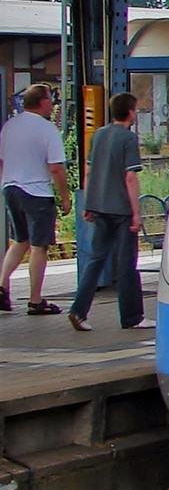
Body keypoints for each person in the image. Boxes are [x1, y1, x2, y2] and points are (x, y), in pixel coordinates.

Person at [68, 91, 148, 331]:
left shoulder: (99, 135)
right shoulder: (128, 138)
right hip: (122, 210)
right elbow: (130, 177)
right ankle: (132, 317)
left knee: (95, 260)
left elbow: (89, 171)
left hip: (99, 207)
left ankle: (78, 310)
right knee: (126, 265)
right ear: (130, 112)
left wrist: (88, 204)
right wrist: (136, 213)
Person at [0, 84, 73, 315]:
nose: (53, 105)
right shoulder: (47, 129)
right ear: (42, 102)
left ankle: (1, 288)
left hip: (11, 188)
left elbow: (2, 161)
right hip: (37, 193)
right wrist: (65, 197)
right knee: (38, 246)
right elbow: (56, 168)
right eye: (51, 100)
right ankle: (35, 300)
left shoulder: (9, 126)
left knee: (20, 240)